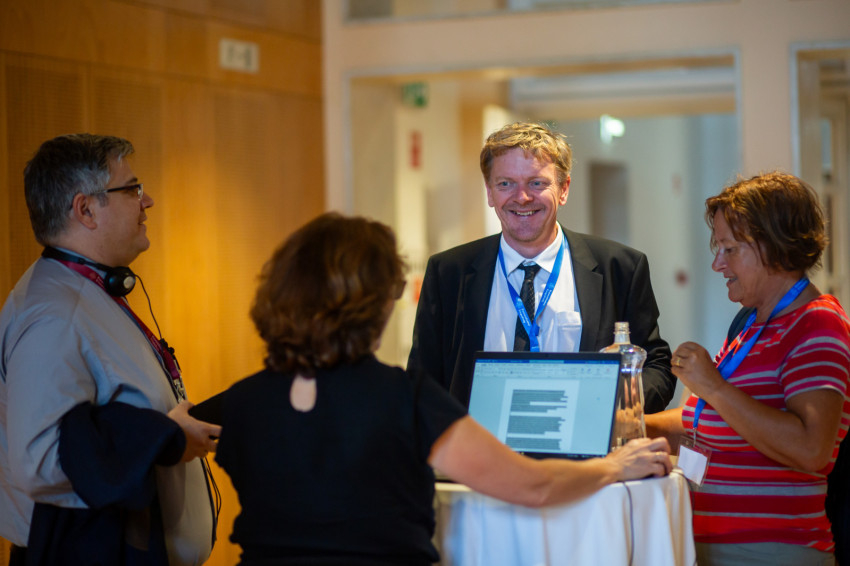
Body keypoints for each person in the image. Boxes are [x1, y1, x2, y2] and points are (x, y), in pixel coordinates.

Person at [211, 212, 673, 566]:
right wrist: (614, 466)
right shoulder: (404, 399)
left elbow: (182, 433)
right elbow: (533, 486)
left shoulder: (242, 401)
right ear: (377, 306)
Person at [0, 134, 221, 566]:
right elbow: (41, 462)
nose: (147, 201)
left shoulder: (83, 291)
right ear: (85, 210)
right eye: (133, 189)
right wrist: (165, 439)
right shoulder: (55, 317)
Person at [645, 172, 850, 566]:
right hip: (713, 547)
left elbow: (812, 449)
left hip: (769, 552)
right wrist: (628, 423)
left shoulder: (816, 323)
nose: (717, 263)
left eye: (730, 249)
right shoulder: (752, 326)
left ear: (775, 248)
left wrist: (714, 387)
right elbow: (705, 423)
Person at [407, 121, 676, 412]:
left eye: (536, 183)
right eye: (505, 184)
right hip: (478, 442)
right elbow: (422, 382)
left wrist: (610, 399)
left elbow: (658, 367)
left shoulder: (620, 268)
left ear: (564, 189)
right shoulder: (448, 273)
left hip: (583, 440)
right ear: (489, 192)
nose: (522, 197)